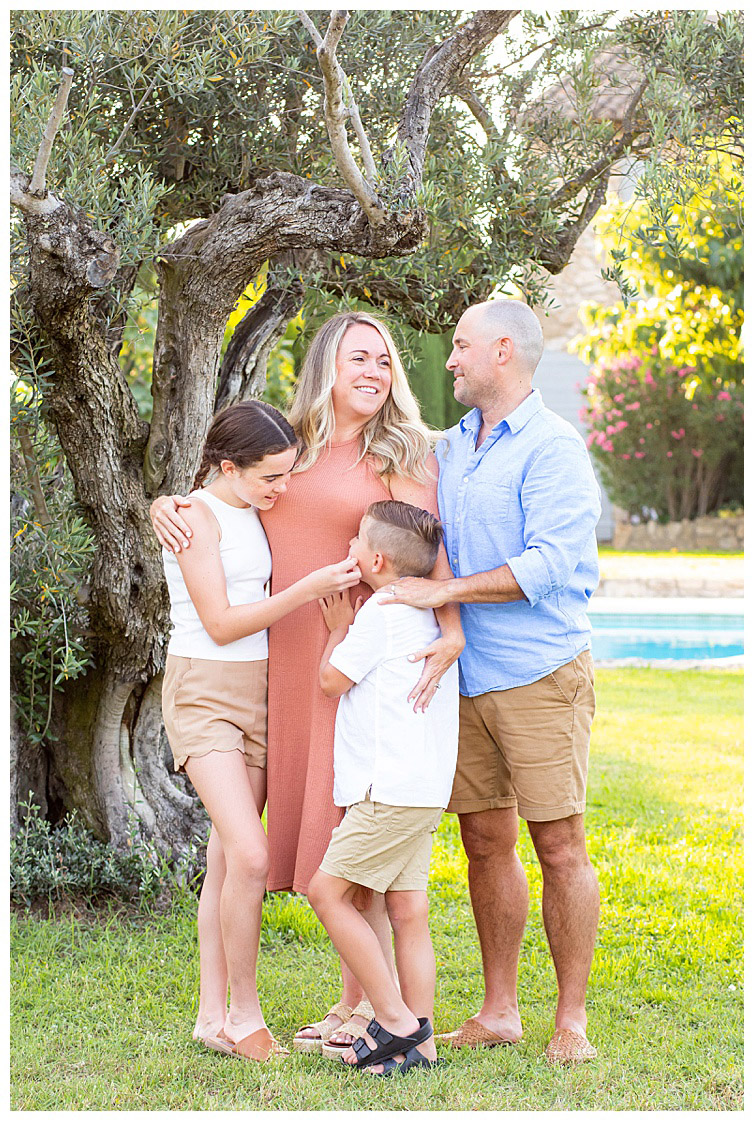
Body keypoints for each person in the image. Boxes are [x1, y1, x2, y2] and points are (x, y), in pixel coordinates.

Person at [150, 312, 464, 1057]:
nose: (376, 372)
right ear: (326, 362)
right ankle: (224, 1008)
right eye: (361, 357)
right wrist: (164, 503)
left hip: (353, 663)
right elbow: (218, 498)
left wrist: (450, 628)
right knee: (252, 844)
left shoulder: (406, 454)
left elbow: (430, 552)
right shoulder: (285, 447)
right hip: (273, 663)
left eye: (385, 361)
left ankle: (362, 1006)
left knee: (350, 823)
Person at [382, 299, 602, 1065]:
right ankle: (500, 1008)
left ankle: (570, 1018)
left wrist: (445, 593)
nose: (449, 360)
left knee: (560, 844)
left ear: (502, 351)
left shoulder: (554, 448)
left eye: (460, 346)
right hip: (464, 678)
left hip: (540, 673)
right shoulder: (450, 445)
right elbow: (359, 455)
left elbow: (548, 566)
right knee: (483, 839)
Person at [160, 399, 361, 1061]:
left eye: (287, 475)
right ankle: (244, 1014)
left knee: (225, 859)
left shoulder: (255, 507)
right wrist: (306, 589)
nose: (283, 488)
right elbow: (218, 621)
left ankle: (208, 1016)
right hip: (205, 692)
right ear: (227, 465)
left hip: (262, 692)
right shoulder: (194, 516)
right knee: (250, 854)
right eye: (270, 476)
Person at [307, 500, 459, 1076]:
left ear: (374, 559)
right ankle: (421, 1046)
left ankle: (396, 1021)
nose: (346, 550)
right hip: (421, 789)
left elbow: (329, 681)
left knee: (327, 892)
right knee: (408, 910)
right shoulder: (428, 612)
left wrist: (339, 628)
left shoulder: (380, 615)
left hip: (385, 788)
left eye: (353, 544)